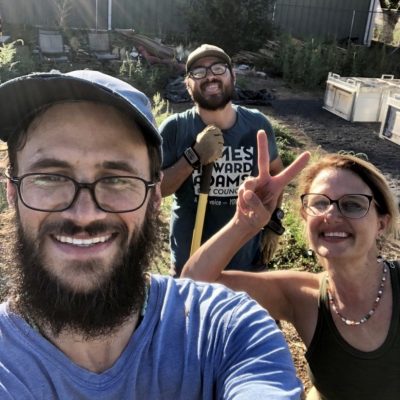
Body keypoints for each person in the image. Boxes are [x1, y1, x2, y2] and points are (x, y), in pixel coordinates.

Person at [0, 70, 303, 399]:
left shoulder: (226, 327)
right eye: (49, 177)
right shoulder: (177, 126)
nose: (84, 214)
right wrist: (194, 156)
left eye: (118, 179)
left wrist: (266, 221)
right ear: (11, 192)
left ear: (153, 196)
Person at [183, 131, 400, 400]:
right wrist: (244, 223)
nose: (331, 214)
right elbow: (194, 285)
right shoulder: (301, 296)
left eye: (353, 205)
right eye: (319, 203)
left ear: (382, 223)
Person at [160, 43, 284, 276]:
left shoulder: (257, 125)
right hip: (192, 263)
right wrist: (193, 156)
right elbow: (156, 188)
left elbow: (276, 176)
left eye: (218, 69)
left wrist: (274, 223)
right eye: (198, 72)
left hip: (244, 263)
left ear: (233, 76)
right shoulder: (175, 128)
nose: (210, 77)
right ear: (188, 85)